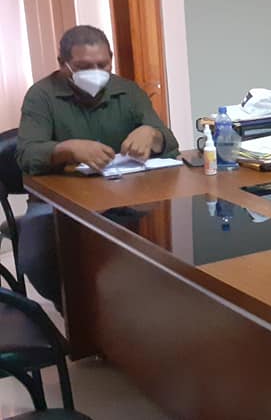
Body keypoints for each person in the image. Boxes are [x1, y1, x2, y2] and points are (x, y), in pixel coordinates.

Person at [15, 25, 179, 308]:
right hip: (57, 204)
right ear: (63, 64)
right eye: (83, 66)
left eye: (102, 65)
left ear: (111, 59)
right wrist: (67, 149)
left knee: (165, 245)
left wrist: (152, 135)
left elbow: (169, 142)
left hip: (126, 198)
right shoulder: (41, 95)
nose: (95, 72)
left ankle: (137, 314)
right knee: (39, 259)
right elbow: (27, 154)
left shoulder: (127, 91)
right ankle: (79, 317)